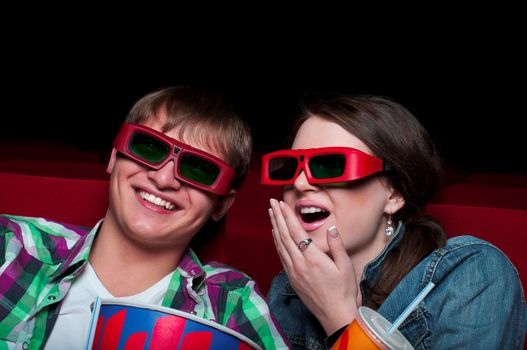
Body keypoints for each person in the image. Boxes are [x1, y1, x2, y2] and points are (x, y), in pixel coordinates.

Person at [0, 86, 288, 350]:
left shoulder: (232, 305)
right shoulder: (11, 247)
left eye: (199, 169)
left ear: (222, 205)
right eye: (149, 147)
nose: (163, 179)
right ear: (114, 157)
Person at [263, 93, 527, 349]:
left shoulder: (472, 277)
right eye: (289, 167)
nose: (298, 183)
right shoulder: (288, 288)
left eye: (332, 165)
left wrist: (340, 320)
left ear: (395, 194)